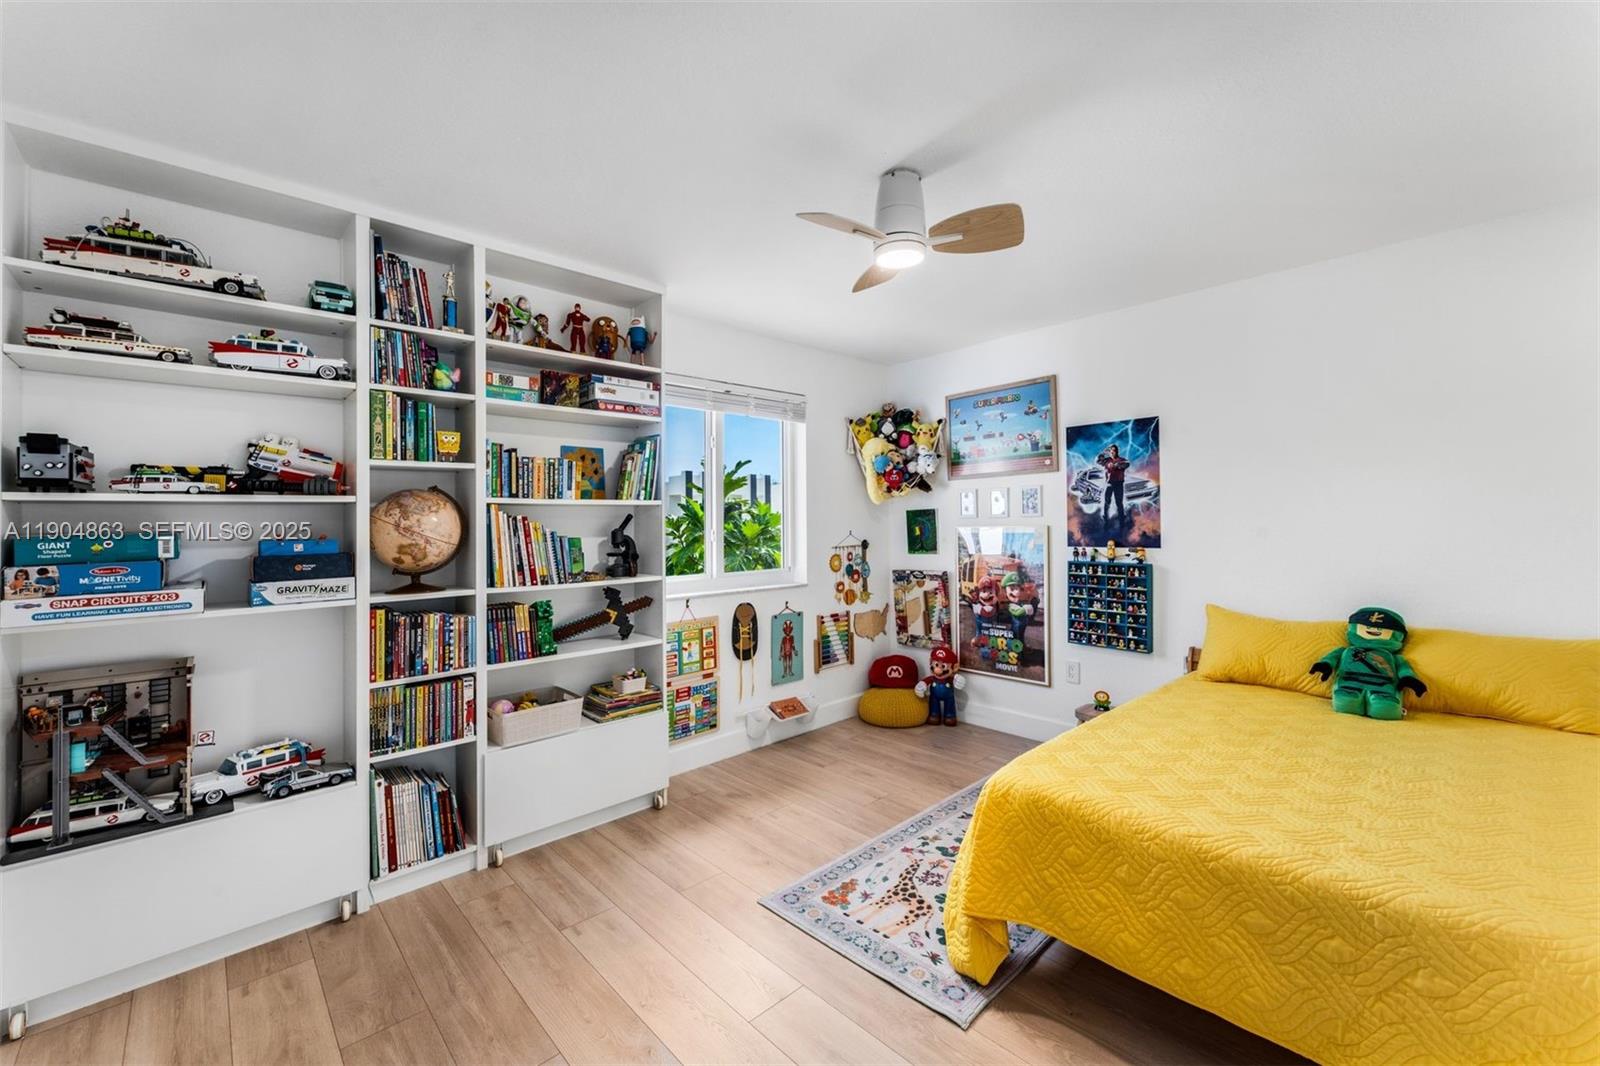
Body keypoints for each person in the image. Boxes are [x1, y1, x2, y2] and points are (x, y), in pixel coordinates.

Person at [1097, 444, 1131, 522]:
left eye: (1114, 450)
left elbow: (1127, 464)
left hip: (1119, 484)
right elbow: (1098, 461)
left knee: (1119, 502)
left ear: (1117, 451)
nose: (1112, 452)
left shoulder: (1121, 459)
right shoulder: (1106, 460)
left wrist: (1118, 465)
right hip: (1109, 483)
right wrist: (1105, 451)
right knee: (1107, 500)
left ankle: (1121, 518)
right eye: (1110, 450)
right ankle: (1105, 516)